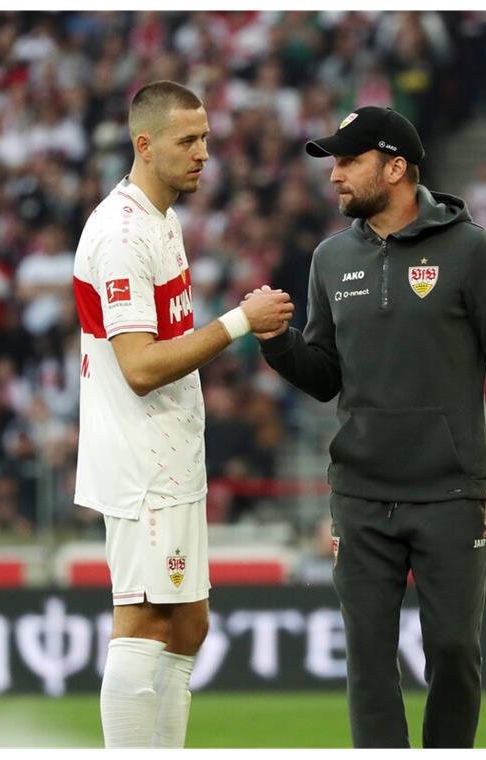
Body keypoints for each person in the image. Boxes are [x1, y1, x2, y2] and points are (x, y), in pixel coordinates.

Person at [255, 106, 486, 748]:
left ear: (396, 167)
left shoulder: (472, 249)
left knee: (455, 654)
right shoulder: (330, 258)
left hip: (452, 493)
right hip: (359, 493)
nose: (335, 177)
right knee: (369, 665)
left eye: (349, 161)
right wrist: (277, 343)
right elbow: (326, 374)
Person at [71, 80, 293, 749]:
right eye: (187, 141)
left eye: (206, 139)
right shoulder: (121, 234)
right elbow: (139, 367)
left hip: (171, 455)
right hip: (140, 460)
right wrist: (239, 323)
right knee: (143, 624)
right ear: (144, 145)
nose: (203, 154)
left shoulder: (163, 220)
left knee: (188, 622)